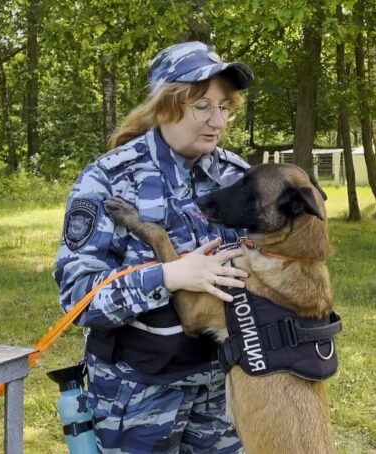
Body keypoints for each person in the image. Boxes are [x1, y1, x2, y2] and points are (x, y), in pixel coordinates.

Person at [54, 41, 254, 453]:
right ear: (166, 105)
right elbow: (77, 298)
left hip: (226, 389)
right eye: (203, 106)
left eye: (225, 107)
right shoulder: (110, 178)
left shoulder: (239, 178)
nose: (218, 121)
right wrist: (168, 275)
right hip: (137, 395)